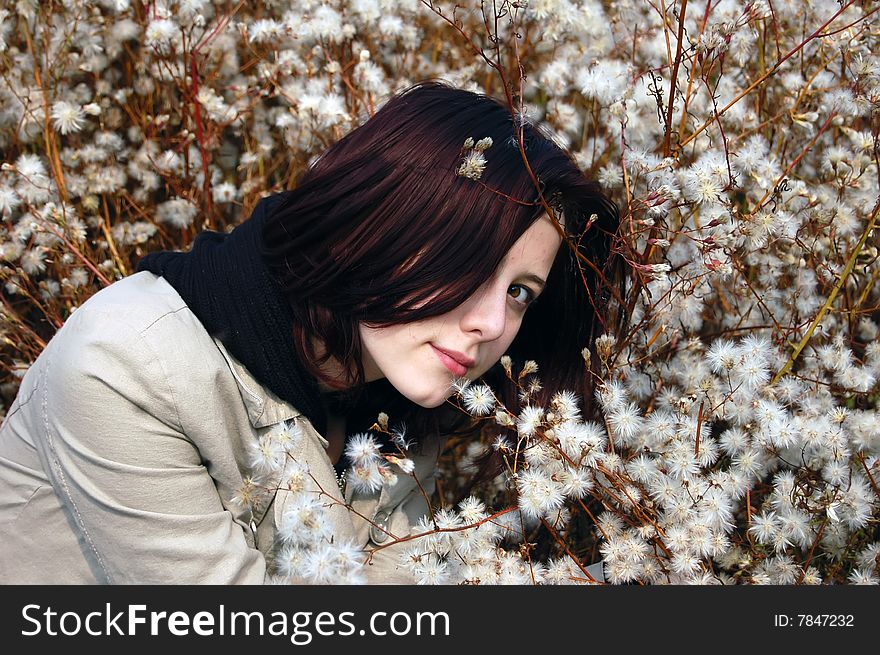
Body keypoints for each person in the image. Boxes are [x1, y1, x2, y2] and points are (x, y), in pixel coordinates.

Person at [0, 81, 623, 584]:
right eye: (469, 265)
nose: (490, 324)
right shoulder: (127, 366)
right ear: (379, 224)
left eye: (519, 292)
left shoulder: (393, 395)